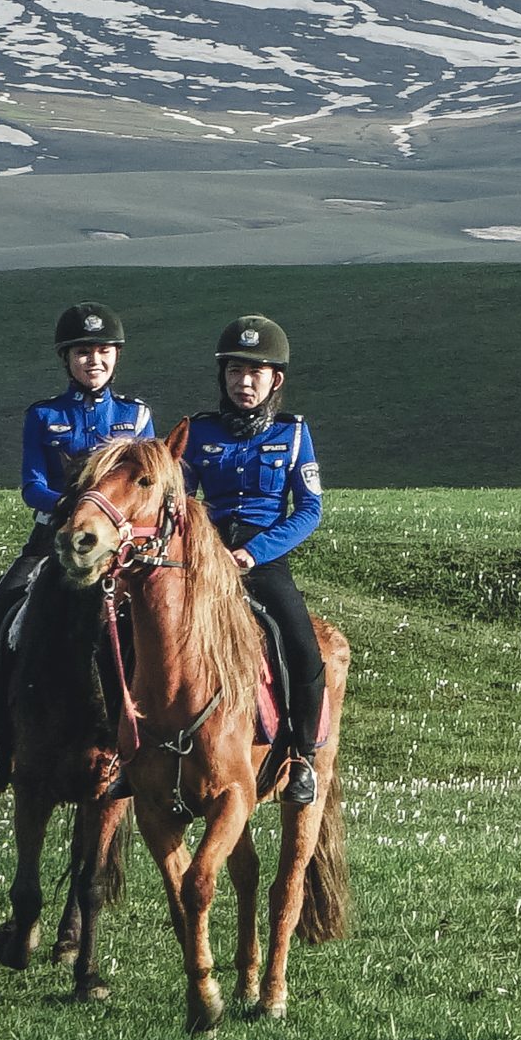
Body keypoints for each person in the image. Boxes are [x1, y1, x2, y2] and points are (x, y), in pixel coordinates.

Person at [0, 303, 151, 788]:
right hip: (53, 539)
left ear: (116, 357)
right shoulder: (44, 415)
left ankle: (142, 748)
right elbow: (31, 485)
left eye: (103, 351)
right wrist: (74, 507)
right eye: (83, 352)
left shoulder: (136, 416)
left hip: (115, 546)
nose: (94, 361)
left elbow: (150, 483)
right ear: (66, 359)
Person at [182, 311, 333, 808]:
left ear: (275, 380)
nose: (243, 382)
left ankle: (303, 759)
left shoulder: (293, 434)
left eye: (255, 373)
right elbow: (178, 499)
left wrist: (253, 553)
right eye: (234, 372)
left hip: (262, 560)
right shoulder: (198, 432)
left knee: (304, 652)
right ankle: (133, 752)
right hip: (204, 556)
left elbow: (309, 510)